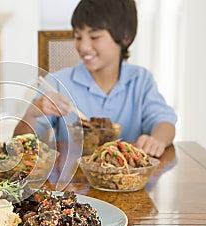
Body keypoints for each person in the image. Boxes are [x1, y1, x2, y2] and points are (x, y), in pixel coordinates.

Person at [14, 0, 177, 157]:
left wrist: (156, 141)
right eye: (78, 37)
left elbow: (164, 122)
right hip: (72, 179)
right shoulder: (57, 83)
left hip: (128, 180)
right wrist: (31, 114)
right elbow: (21, 144)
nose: (83, 46)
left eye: (94, 37)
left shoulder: (140, 80)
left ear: (125, 37)